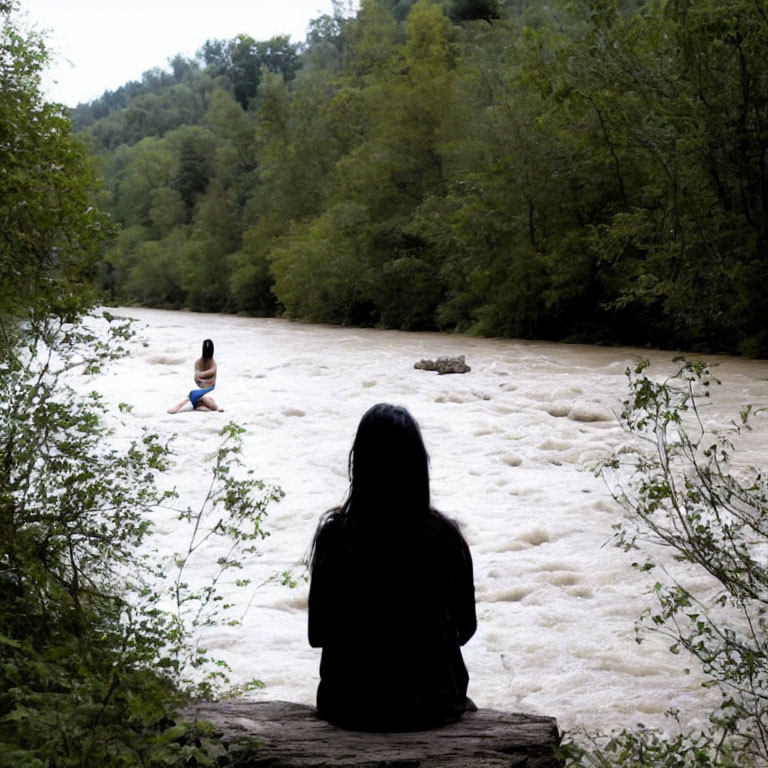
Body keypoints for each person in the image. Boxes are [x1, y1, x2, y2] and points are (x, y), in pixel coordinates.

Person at [308, 403, 476, 731]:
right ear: (418, 467)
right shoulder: (445, 537)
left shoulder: (336, 537)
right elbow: (466, 628)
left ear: (360, 465)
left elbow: (317, 635)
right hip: (434, 704)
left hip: (349, 705)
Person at [167, 338, 223, 413]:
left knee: (195, 397)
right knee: (193, 397)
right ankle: (176, 408)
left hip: (206, 390)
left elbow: (211, 372)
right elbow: (197, 377)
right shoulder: (199, 362)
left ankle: (176, 408)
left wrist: (201, 376)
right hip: (201, 390)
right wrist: (200, 378)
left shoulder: (212, 363)